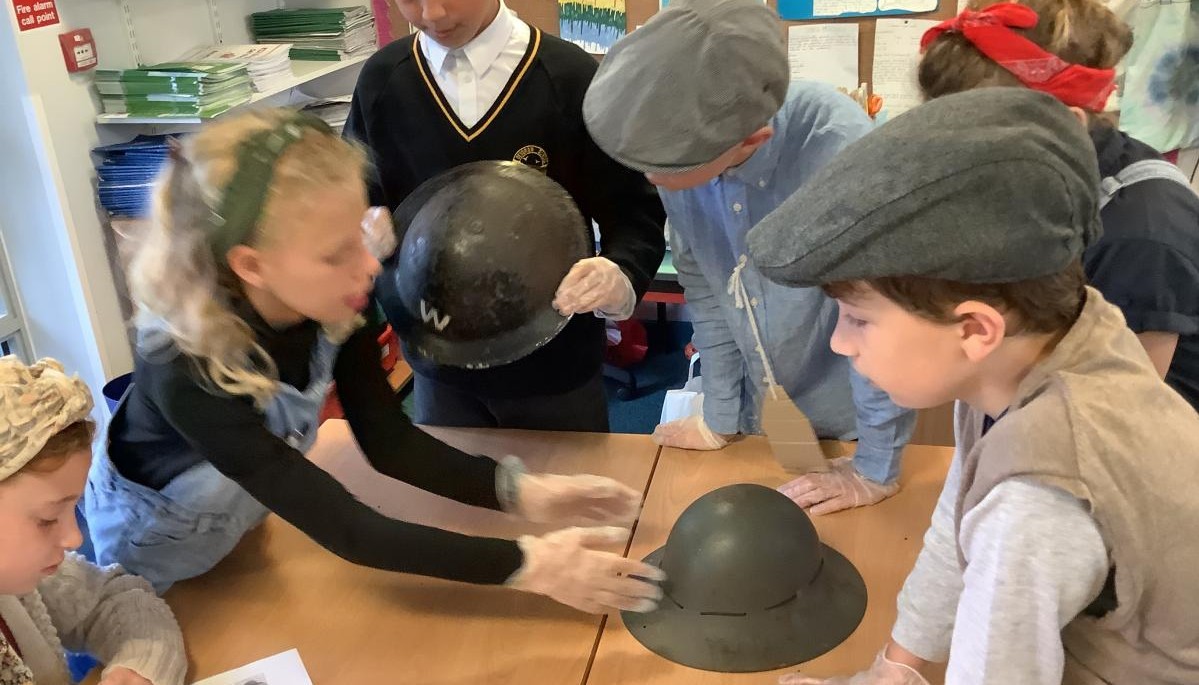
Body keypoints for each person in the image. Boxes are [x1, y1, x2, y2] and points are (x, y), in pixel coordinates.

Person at [83, 109, 665, 618]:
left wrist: (520, 493)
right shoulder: (186, 367)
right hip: (154, 553)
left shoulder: (334, 301)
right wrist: (531, 564)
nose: (369, 267)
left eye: (360, 235)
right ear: (252, 265)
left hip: (241, 516)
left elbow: (390, 442)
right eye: (336, 253)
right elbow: (350, 530)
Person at [748, 87, 1199, 685]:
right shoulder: (1033, 353)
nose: (840, 343)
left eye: (859, 319)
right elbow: (958, 524)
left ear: (975, 329)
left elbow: (997, 668)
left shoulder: (1038, 495)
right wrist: (896, 670)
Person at [581, 0, 915, 514]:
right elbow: (709, 288)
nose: (651, 179)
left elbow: (882, 317)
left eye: (665, 167)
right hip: (760, 409)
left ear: (752, 140)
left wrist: (875, 466)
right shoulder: (688, 146)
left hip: (852, 414)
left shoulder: (840, 151)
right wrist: (720, 414)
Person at [344, 0, 666, 432]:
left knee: (569, 474)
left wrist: (621, 271)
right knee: (445, 473)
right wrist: (361, 223)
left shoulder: (567, 76)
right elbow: (356, 189)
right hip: (437, 361)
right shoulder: (383, 80)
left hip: (553, 364)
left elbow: (633, 208)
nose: (432, 14)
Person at [918, 0, 1199, 410]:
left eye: (975, 140)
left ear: (1065, 126)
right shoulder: (1040, 183)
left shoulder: (1142, 235)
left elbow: (1115, 413)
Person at [0, 356, 185, 685]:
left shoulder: (20, 582)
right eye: (47, 518)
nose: (75, 538)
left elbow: (115, 598)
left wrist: (137, 668)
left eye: (73, 509)